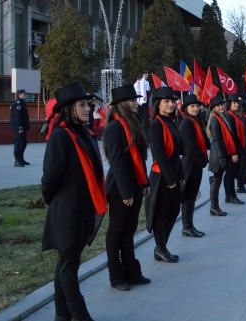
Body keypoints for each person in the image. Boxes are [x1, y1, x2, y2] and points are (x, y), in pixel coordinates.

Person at [41, 82, 103, 321]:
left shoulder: (83, 133)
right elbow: (50, 178)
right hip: (67, 211)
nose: (88, 108)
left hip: (83, 210)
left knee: (67, 263)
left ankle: (61, 315)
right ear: (68, 108)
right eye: (82, 105)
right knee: (69, 265)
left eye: (88, 104)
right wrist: (56, 202)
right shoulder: (60, 136)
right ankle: (80, 314)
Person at [102, 84, 152, 291]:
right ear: (121, 104)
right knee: (117, 231)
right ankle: (116, 276)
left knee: (129, 230)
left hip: (134, 184)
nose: (135, 103)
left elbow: (139, 158)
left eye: (135, 99)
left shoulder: (134, 122)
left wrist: (144, 182)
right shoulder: (114, 127)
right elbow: (117, 161)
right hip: (120, 188)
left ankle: (132, 272)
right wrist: (125, 191)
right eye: (131, 100)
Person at [145, 86, 184, 263]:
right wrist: (170, 179)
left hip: (173, 174)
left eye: (172, 101)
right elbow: (158, 153)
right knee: (161, 214)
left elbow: (177, 151)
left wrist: (180, 174)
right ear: (158, 104)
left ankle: (162, 246)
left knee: (173, 211)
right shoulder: (156, 124)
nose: (170, 104)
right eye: (166, 101)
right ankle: (160, 248)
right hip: (162, 176)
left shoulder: (171, 122)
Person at [178, 94, 209, 238]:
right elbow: (190, 147)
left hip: (196, 164)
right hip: (190, 164)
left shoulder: (196, 121)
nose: (196, 108)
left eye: (197, 106)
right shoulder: (186, 123)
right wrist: (202, 160)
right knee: (188, 195)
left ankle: (189, 225)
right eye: (192, 106)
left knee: (192, 195)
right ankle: (186, 226)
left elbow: (204, 140)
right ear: (186, 108)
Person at [207, 95, 237, 216]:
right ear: (213, 108)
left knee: (216, 180)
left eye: (222, 105)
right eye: (218, 106)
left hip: (221, 154)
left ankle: (214, 207)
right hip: (217, 156)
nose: (221, 107)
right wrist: (221, 157)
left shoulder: (220, 117)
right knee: (217, 180)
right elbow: (217, 140)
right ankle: (214, 207)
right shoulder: (215, 119)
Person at [223, 99, 246, 203]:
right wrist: (234, 152)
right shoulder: (229, 116)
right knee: (230, 173)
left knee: (230, 173)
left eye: (237, 103)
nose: (236, 104)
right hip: (233, 149)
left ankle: (228, 196)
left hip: (237, 147)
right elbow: (231, 136)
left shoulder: (234, 115)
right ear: (229, 105)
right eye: (234, 103)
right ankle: (231, 195)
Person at [9, 89, 30, 167]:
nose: (25, 96)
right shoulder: (18, 104)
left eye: (25, 94)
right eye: (24, 94)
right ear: (20, 94)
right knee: (19, 143)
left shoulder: (22, 103)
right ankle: (17, 161)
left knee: (23, 143)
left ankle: (21, 159)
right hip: (19, 128)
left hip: (22, 127)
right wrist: (20, 127)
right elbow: (18, 117)